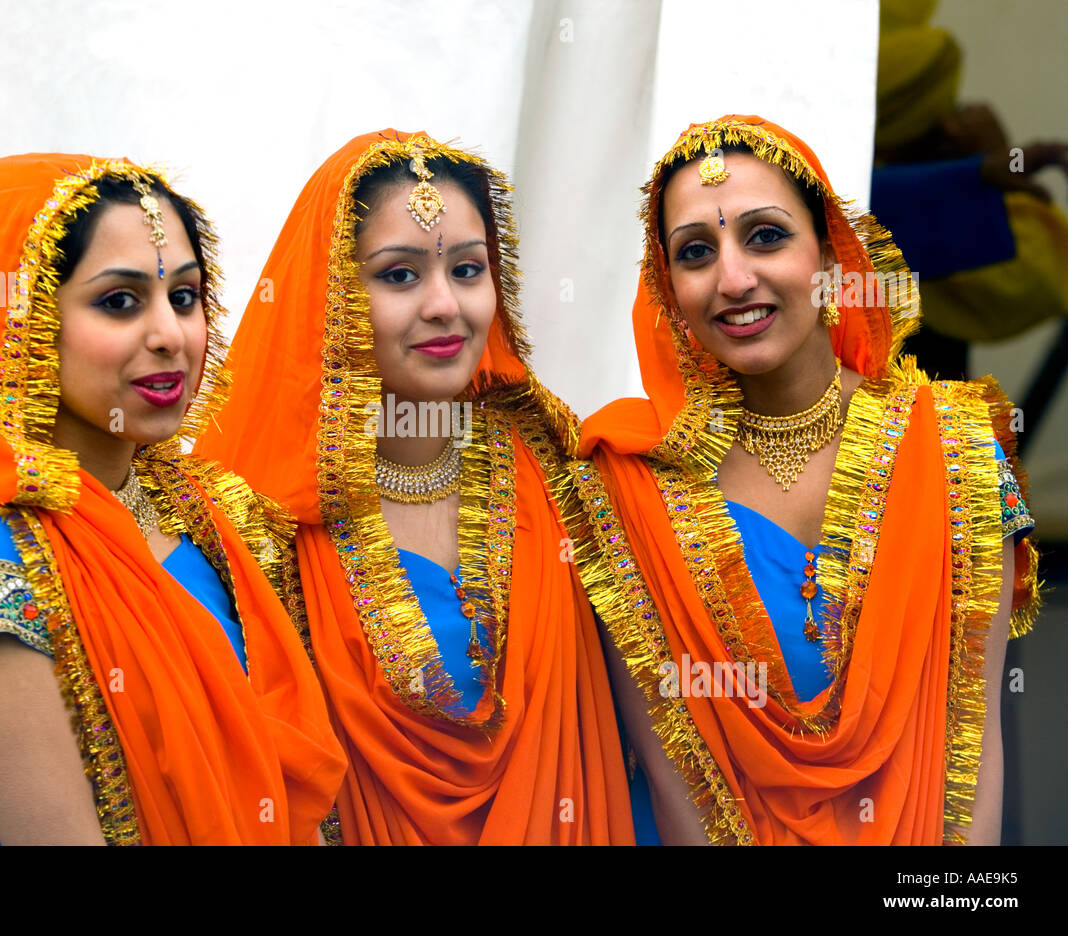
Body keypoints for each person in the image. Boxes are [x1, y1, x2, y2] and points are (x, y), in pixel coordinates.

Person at [0, 154, 345, 845]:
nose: (171, 335)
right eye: (120, 302)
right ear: (18, 321)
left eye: (184, 297)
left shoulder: (200, 513)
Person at [574, 115, 1039, 845]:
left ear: (829, 253)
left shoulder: (955, 450)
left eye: (765, 236)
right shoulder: (629, 484)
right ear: (669, 288)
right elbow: (677, 778)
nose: (734, 279)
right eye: (696, 252)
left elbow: (971, 749)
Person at [199, 130, 634, 844]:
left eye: (467, 270)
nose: (444, 306)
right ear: (332, 294)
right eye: (399, 276)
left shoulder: (555, 464)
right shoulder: (264, 517)